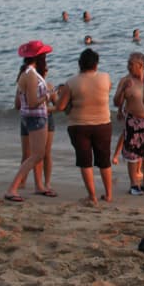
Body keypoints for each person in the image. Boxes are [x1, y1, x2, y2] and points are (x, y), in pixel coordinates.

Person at [55, 48, 114, 205]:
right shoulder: (105, 77)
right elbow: (108, 89)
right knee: (104, 160)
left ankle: (92, 196)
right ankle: (108, 195)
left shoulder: (71, 82)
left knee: (85, 161)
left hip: (79, 125)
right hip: (103, 124)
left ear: (80, 64)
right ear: (96, 64)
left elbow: (61, 106)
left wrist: (54, 98)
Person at [6, 40, 55, 202]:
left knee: (35, 154)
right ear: (39, 57)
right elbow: (34, 102)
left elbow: (19, 103)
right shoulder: (32, 76)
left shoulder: (25, 74)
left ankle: (38, 186)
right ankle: (13, 188)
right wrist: (48, 94)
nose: (46, 58)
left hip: (28, 118)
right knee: (37, 155)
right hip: (36, 118)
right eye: (44, 56)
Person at [113, 52, 144, 196]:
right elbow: (116, 102)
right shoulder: (126, 81)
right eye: (128, 64)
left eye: (131, 64)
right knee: (133, 154)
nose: (128, 67)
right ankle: (134, 184)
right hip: (134, 120)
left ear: (140, 66)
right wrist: (121, 90)